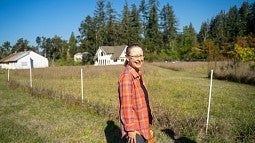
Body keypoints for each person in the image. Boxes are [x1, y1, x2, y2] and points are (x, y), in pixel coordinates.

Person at [118, 43, 153, 143]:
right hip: (135, 129)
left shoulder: (138, 73)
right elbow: (126, 106)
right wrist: (130, 129)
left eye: (141, 55)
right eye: (136, 56)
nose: (139, 59)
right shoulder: (127, 77)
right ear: (128, 58)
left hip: (142, 123)